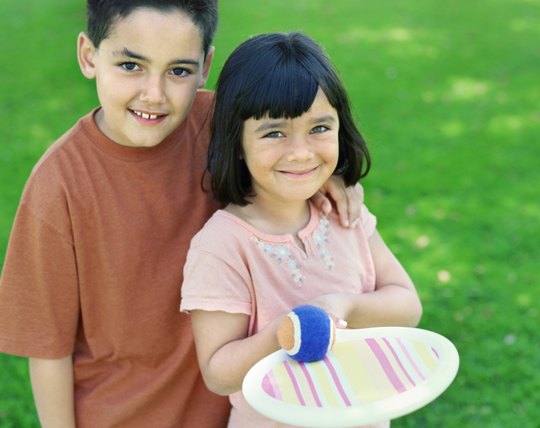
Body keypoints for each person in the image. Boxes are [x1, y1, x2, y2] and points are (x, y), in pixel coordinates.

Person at [0, 2, 363, 427]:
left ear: (206, 65)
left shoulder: (224, 125)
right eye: (131, 65)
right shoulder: (58, 186)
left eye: (178, 71)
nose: (153, 94)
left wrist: (327, 178)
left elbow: (291, 147)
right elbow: (48, 350)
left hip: (238, 409)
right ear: (88, 55)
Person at [180, 32, 423, 427]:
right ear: (236, 142)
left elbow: (408, 307)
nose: (301, 152)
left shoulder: (345, 214)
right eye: (274, 132)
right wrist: (283, 333)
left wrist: (343, 305)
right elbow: (218, 372)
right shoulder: (223, 245)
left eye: (319, 128)